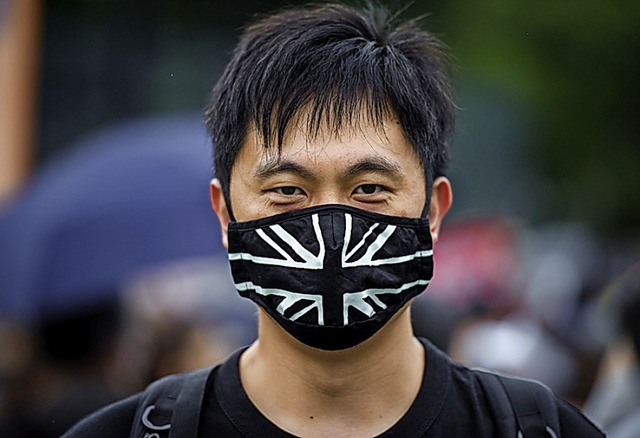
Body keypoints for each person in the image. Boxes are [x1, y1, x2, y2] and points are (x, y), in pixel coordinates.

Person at [64, 2, 604, 437]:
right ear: (225, 213)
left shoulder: (537, 428)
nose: (329, 225)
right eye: (287, 191)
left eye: (369, 189)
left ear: (433, 210)